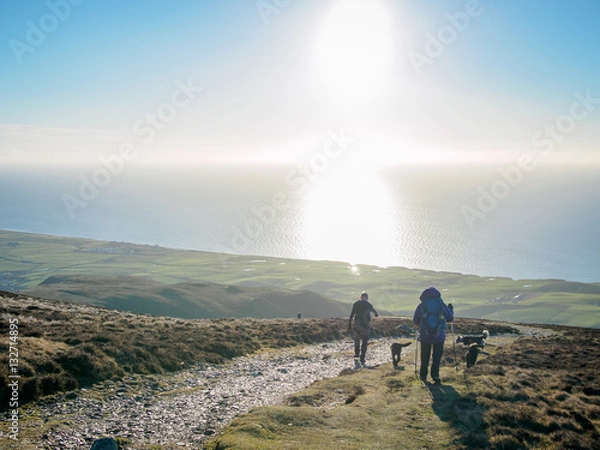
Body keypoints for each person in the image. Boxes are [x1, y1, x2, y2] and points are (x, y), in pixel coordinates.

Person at [413, 286, 454, 383]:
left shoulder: (422, 305)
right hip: (439, 336)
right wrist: (451, 309)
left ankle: (423, 376)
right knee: (437, 356)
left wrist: (422, 325)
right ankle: (435, 375)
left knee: (425, 356)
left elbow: (415, 320)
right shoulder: (441, 305)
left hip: (425, 335)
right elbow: (450, 318)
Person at [348, 292, 379, 364]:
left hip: (357, 324)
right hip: (365, 325)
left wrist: (349, 324)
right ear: (367, 298)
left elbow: (352, 314)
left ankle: (357, 354)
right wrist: (375, 314)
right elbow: (375, 312)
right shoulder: (368, 305)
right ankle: (362, 357)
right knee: (364, 341)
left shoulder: (356, 304)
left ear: (360, 297)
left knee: (357, 339)